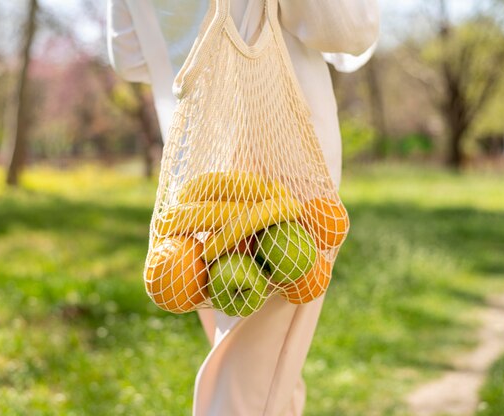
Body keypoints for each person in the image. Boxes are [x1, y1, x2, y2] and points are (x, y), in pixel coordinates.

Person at [107, 1, 379, 414]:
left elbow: (128, 56)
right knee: (247, 392)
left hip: (196, 177)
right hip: (286, 177)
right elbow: (348, 29)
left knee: (268, 375)